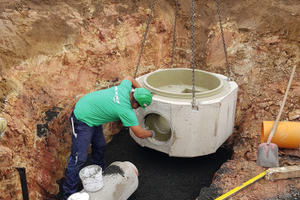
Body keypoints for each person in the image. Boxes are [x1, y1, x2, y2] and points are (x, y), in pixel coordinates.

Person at [63, 76, 155, 199]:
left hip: (92, 114)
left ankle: (100, 173)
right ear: (134, 103)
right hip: (82, 117)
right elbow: (140, 133)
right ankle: (68, 194)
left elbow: (129, 78)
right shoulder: (125, 110)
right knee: (79, 159)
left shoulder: (124, 89)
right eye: (138, 106)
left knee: (100, 145)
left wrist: (142, 91)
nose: (137, 108)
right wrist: (152, 133)